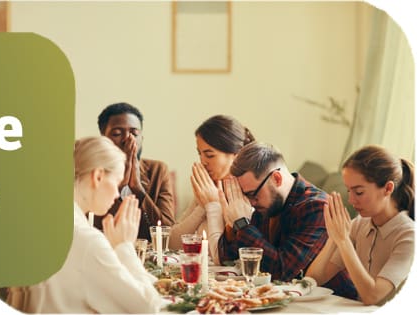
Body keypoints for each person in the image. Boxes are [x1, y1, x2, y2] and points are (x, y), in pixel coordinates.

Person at [8, 136, 162, 313]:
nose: (116, 193)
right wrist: (124, 247)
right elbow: (148, 309)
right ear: (98, 176)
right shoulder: (87, 241)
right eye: (117, 183)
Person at [306, 145, 414, 305]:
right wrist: (333, 239)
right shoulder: (360, 224)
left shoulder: (409, 236)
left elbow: (373, 297)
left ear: (388, 188)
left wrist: (343, 241)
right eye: (349, 191)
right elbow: (314, 280)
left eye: (359, 192)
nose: (351, 200)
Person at [217, 142, 331, 281]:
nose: (251, 203)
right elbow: (227, 261)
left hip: (336, 300)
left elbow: (281, 271)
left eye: (253, 194)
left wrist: (242, 224)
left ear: (276, 178)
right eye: (245, 196)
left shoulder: (317, 207)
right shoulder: (264, 204)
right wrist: (232, 224)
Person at [169, 115, 255, 264]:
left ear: (236, 154)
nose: (203, 161)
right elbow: (172, 244)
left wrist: (213, 205)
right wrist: (203, 206)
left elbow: (221, 258)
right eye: (199, 153)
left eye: (209, 155)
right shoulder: (208, 187)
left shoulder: (249, 195)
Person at [94, 102, 175, 241]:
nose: (128, 139)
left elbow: (167, 230)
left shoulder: (158, 170)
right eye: (117, 133)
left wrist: (138, 189)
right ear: (103, 139)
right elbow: (88, 226)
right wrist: (118, 186)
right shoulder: (92, 173)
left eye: (134, 133)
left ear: (141, 139)